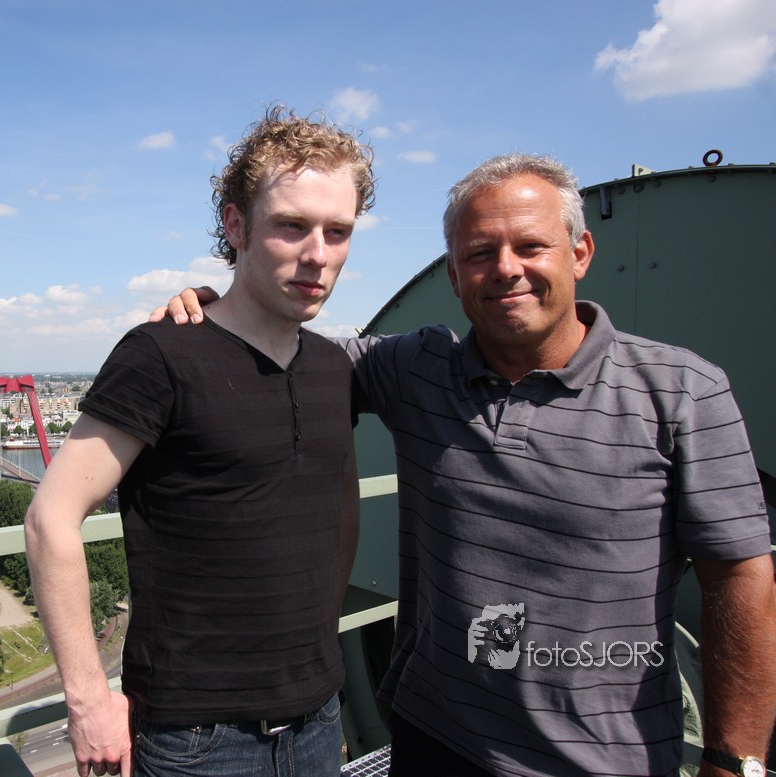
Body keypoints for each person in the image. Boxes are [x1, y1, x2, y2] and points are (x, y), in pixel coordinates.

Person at [156, 153, 776, 776]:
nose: (506, 269)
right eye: (480, 253)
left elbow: (738, 578)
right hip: (435, 742)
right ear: (454, 275)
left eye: (531, 246)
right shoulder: (417, 369)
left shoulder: (681, 392)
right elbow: (285, 354)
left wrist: (733, 759)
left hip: (605, 760)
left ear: (580, 253)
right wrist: (219, 312)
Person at [23, 106, 375, 777]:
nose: (318, 254)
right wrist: (89, 700)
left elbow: (340, 507)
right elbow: (50, 519)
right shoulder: (160, 355)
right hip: (198, 740)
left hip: (319, 718)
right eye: (292, 225)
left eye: (338, 232)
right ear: (236, 226)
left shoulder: (336, 369)